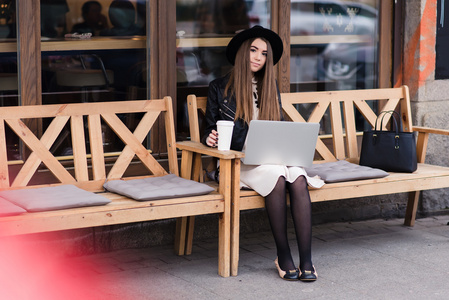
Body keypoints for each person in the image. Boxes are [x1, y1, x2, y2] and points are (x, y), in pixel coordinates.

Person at [202, 26, 324, 282]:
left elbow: (275, 129)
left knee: (298, 177)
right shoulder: (219, 87)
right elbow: (211, 128)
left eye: (264, 54)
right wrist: (210, 137)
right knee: (278, 176)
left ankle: (307, 259)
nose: (258, 57)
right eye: (254, 50)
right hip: (239, 162)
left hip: (271, 157)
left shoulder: (270, 87)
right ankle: (283, 255)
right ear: (243, 52)